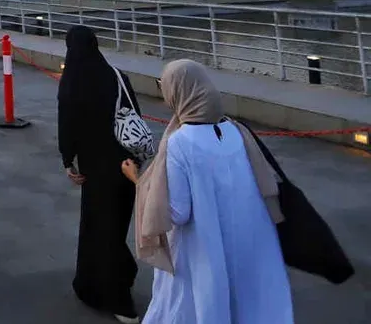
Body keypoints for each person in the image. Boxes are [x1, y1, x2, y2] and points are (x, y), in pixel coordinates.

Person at [123, 59, 291, 324]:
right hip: (247, 241)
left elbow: (177, 213)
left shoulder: (180, 141)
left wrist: (139, 181)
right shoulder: (236, 131)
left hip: (201, 251)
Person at [57, 25, 141, 324]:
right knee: (115, 227)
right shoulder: (117, 77)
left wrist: (68, 161)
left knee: (98, 229)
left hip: (95, 168)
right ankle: (116, 278)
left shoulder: (72, 83)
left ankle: (114, 296)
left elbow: (67, 126)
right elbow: (134, 116)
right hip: (125, 166)